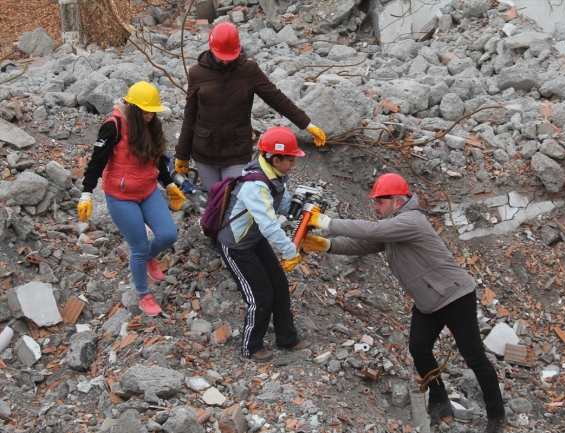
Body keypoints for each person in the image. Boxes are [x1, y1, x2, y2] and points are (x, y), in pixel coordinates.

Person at [302, 173, 508, 433]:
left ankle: (497, 416)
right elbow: (363, 243)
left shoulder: (411, 221)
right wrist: (327, 245)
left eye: (379, 202)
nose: (375, 208)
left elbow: (373, 230)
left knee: (474, 356)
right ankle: (440, 400)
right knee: (419, 348)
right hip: (428, 301)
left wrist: (327, 223)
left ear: (397, 202)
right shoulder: (393, 225)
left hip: (455, 296)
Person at [174, 22, 326, 191]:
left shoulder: (249, 70)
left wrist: (306, 124)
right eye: (221, 56)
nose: (225, 61)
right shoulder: (197, 73)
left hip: (237, 152)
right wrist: (182, 155)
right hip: (205, 152)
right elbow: (190, 117)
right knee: (214, 202)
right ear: (211, 47)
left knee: (233, 200)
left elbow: (276, 98)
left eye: (229, 57)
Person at [77, 81, 186, 317]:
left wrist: (168, 185)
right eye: (145, 112)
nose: (149, 116)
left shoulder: (150, 126)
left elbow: (156, 157)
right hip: (121, 197)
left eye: (152, 112)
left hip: (147, 190)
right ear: (133, 108)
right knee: (137, 247)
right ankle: (143, 294)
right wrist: (86, 194)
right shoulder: (113, 127)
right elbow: (96, 163)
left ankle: (149, 258)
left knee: (168, 235)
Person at [216, 126, 311, 362]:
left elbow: (284, 206)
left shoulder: (275, 176)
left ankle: (286, 337)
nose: (294, 165)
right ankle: (252, 346)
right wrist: (290, 250)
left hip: (254, 238)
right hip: (236, 246)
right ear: (275, 159)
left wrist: (306, 206)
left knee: (279, 285)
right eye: (291, 160)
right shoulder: (255, 186)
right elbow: (269, 225)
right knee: (260, 295)